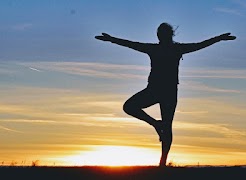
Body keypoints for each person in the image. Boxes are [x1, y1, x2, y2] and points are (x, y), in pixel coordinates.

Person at [95, 23, 236, 167]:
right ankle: (156, 124)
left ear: (169, 35)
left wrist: (219, 38)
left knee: (167, 126)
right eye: (159, 33)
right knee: (129, 107)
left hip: (167, 92)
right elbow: (132, 44)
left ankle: (162, 162)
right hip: (155, 90)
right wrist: (111, 39)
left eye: (162, 33)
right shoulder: (157, 49)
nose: (160, 36)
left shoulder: (176, 49)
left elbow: (200, 45)